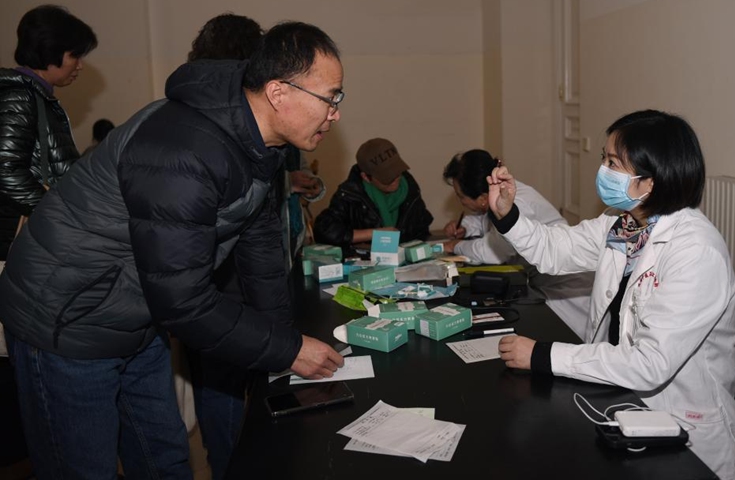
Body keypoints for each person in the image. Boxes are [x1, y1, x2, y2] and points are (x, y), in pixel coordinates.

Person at [0, 21, 345, 479]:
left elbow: (259, 250)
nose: (335, 114)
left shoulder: (261, 144)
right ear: (279, 93)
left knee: (164, 458)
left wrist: (285, 347)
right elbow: (183, 300)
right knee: (84, 468)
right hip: (67, 320)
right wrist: (286, 350)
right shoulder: (184, 148)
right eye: (331, 98)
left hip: (136, 315)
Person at [488, 110, 735, 480]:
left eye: (613, 162)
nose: (603, 171)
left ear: (651, 182)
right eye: (604, 159)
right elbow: (556, 249)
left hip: (685, 430)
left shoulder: (696, 252)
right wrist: (507, 214)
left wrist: (544, 355)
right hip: (624, 403)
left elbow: (649, 364)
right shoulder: (625, 224)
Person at [184, 13, 325, 478]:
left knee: (235, 379)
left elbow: (260, 226)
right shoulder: (200, 134)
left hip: (242, 273)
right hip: (215, 287)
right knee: (222, 381)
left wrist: (283, 337)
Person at [442, 149, 593, 336]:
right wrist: (466, 227)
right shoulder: (499, 191)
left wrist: (454, 246)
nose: (460, 201)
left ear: (482, 199)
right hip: (541, 279)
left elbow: (491, 251)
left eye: (460, 196)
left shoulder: (516, 204)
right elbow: (485, 219)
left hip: (566, 287)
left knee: (569, 340)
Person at [0, 5, 97, 260]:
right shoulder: (21, 97)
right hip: (18, 237)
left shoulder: (35, 96)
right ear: (51, 51)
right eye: (75, 55)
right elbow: (5, 169)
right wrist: (54, 209)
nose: (80, 66)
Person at [314, 137, 433, 248]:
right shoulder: (350, 194)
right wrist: (374, 234)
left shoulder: (409, 187)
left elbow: (421, 229)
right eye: (387, 177)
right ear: (366, 177)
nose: (395, 179)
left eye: (397, 171)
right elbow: (324, 230)